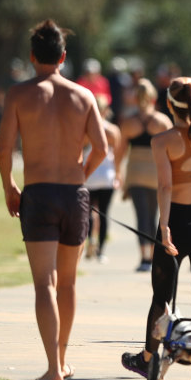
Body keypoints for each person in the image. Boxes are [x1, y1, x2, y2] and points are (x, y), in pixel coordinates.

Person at [0, 19, 108, 380]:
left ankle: (53, 368)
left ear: (32, 57)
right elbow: (102, 148)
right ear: (63, 56)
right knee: (69, 284)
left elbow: (4, 148)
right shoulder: (83, 95)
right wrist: (81, 174)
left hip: (40, 192)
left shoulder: (19, 94)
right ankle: (61, 359)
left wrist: (10, 186)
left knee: (44, 283)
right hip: (73, 195)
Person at [121, 77, 191, 380]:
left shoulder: (162, 140)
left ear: (168, 105)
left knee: (161, 298)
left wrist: (165, 227)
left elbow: (166, 186)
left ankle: (147, 358)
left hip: (176, 222)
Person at [116, 78, 173, 271]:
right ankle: (156, 255)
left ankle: (144, 258)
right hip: (157, 171)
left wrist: (117, 171)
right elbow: (171, 150)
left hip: (136, 173)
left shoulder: (128, 123)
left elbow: (121, 150)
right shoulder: (162, 121)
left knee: (142, 215)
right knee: (157, 215)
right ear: (153, 97)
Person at [84, 97, 122, 262]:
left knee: (88, 213)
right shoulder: (113, 131)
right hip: (107, 176)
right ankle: (101, 250)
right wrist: (118, 175)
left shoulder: (85, 129)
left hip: (89, 175)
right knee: (104, 213)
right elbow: (117, 157)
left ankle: (90, 241)